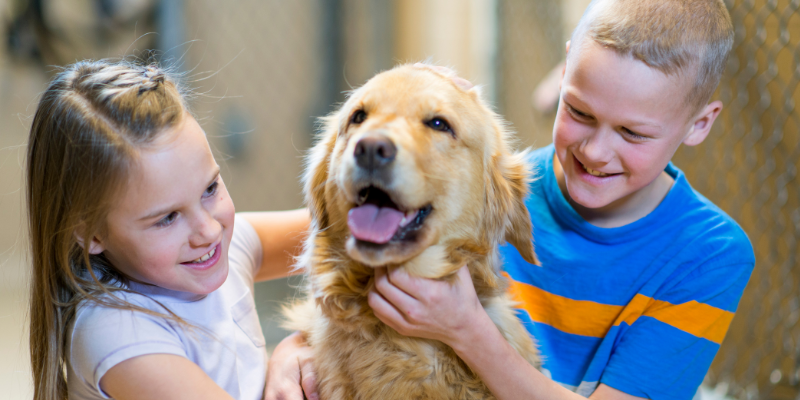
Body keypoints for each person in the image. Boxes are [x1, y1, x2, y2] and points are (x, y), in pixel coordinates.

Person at [266, 1, 756, 399]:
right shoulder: (497, 182)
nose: (594, 151)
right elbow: (310, 240)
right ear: (563, 75)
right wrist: (298, 346)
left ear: (700, 123)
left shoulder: (709, 252)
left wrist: (467, 331)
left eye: (633, 132)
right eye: (579, 111)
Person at [26, 60, 308, 400]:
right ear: (92, 234)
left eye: (210, 189)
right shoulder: (118, 334)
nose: (207, 230)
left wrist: (298, 347)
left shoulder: (216, 249)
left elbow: (339, 228)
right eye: (167, 218)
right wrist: (290, 352)